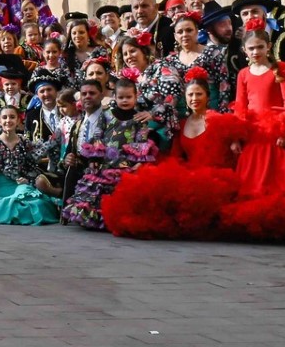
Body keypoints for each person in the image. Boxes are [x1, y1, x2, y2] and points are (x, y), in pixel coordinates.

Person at [216, 19, 285, 241]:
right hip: (253, 132)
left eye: (260, 47)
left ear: (268, 47)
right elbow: (240, 106)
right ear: (244, 50)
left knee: (279, 177)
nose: (255, 52)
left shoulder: (280, 68)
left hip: (274, 129)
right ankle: (254, 224)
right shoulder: (243, 74)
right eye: (251, 48)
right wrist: (236, 137)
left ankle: (279, 224)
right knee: (252, 177)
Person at [102, 67, 245, 240]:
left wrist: (234, 140)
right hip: (190, 176)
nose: (194, 99)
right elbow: (175, 158)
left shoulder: (217, 119)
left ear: (207, 96)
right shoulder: (182, 123)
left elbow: (234, 145)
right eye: (190, 95)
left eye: (199, 94)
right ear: (185, 97)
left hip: (215, 179)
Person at [59, 75, 161, 231]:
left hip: (126, 166)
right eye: (121, 97)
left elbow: (142, 142)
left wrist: (139, 163)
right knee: (96, 193)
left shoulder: (139, 119)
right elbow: (98, 136)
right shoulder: (106, 114)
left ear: (136, 97)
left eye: (129, 97)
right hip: (104, 164)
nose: (125, 100)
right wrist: (93, 158)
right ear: (114, 97)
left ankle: (114, 220)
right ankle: (97, 220)